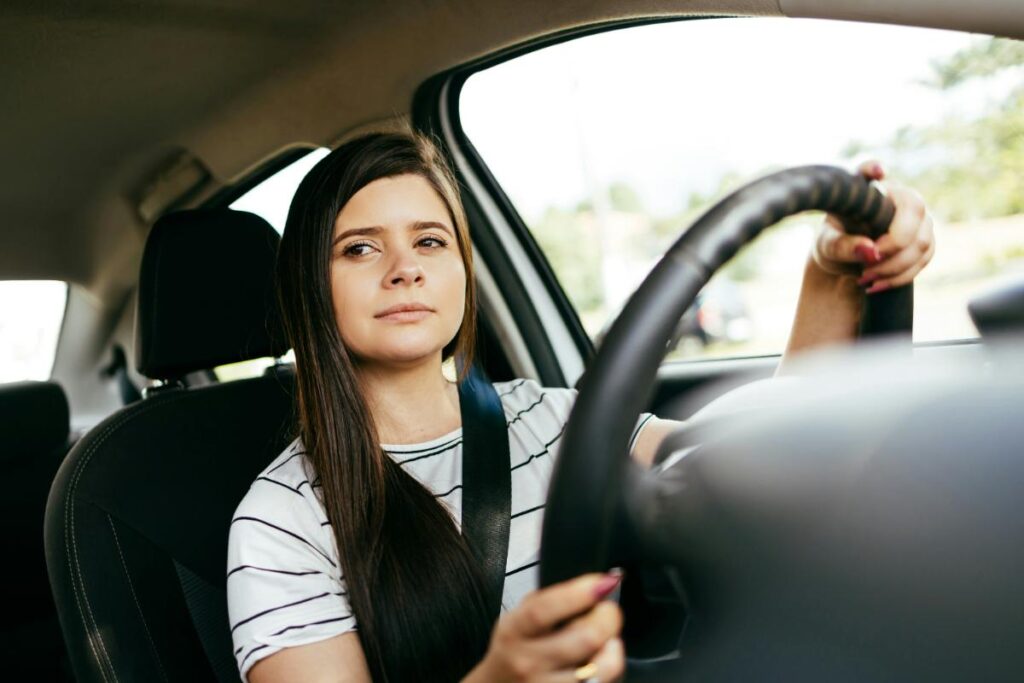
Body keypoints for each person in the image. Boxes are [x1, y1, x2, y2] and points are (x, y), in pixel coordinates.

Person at [226, 129, 935, 683]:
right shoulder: (281, 521)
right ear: (311, 287)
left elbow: (764, 456)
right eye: (359, 248)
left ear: (460, 269)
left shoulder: (549, 419)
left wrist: (834, 271)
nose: (405, 266)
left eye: (430, 240)